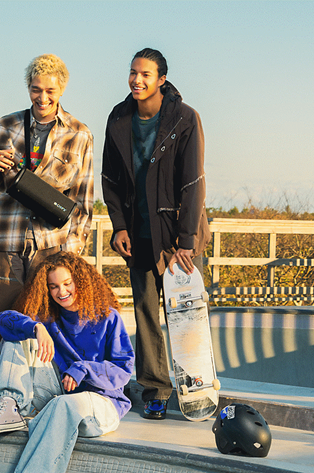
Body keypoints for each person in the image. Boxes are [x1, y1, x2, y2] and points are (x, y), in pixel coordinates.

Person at [101, 48, 211, 420]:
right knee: (147, 312)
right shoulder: (118, 118)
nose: (137, 80)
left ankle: (196, 383)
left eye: (146, 74)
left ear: (161, 79)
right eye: (133, 72)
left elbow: (193, 183)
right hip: (139, 233)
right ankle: (155, 389)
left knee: (184, 312)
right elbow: (110, 179)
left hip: (179, 233)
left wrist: (186, 241)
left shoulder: (184, 118)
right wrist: (118, 226)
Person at [0, 54, 94, 389]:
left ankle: (46, 392)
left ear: (62, 90)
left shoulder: (80, 133)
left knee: (50, 325)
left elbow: (84, 199)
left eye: (50, 91)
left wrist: (73, 256)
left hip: (53, 247)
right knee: (2, 322)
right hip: (7, 242)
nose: (42, 98)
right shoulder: (6, 125)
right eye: (35, 89)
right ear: (28, 88)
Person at [0, 252, 134, 472]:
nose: (62, 292)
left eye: (68, 283)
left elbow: (123, 371)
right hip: (59, 394)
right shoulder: (48, 317)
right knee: (15, 338)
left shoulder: (108, 317)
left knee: (61, 406)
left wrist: (82, 369)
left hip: (102, 403)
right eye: (54, 286)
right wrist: (36, 327)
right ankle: (9, 404)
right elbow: (2, 321)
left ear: (81, 282)